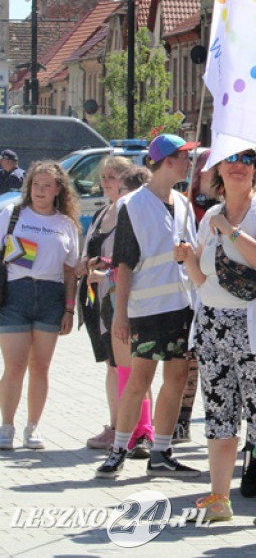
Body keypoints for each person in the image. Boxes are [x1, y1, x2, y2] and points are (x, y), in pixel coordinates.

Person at [177, 147, 256, 525]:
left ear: (255, 170)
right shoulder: (212, 215)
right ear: (218, 169)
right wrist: (187, 259)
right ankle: (219, 498)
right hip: (214, 325)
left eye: (246, 160)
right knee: (219, 415)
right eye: (230, 160)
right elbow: (202, 279)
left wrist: (232, 232)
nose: (237, 166)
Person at [95, 135, 200, 480]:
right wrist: (120, 315)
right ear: (168, 161)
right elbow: (124, 264)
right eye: (186, 156)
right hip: (148, 308)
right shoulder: (134, 205)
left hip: (183, 306)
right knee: (140, 378)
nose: (190, 162)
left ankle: (162, 451)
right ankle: (118, 450)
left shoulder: (183, 203)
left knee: (178, 378)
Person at [0, 161, 80, 449]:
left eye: (47, 185)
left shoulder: (66, 224)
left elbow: (71, 270)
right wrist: (21, 255)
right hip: (15, 294)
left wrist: (70, 309)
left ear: (59, 189)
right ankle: (6, 426)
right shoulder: (13, 213)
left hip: (51, 295)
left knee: (40, 367)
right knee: (14, 365)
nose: (41, 191)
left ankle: (32, 427)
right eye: (36, 184)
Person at [79, 157, 152, 454]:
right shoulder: (103, 213)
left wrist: (105, 272)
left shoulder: (131, 213)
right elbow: (86, 255)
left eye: (113, 177)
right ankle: (117, 426)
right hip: (100, 302)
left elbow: (132, 262)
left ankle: (140, 431)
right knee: (113, 368)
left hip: (124, 300)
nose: (107, 182)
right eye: (105, 177)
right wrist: (87, 267)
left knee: (137, 370)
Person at [175, 149, 216, 445]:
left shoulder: (228, 208)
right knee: (188, 362)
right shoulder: (186, 205)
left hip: (216, 294)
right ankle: (181, 420)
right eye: (206, 171)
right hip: (188, 293)